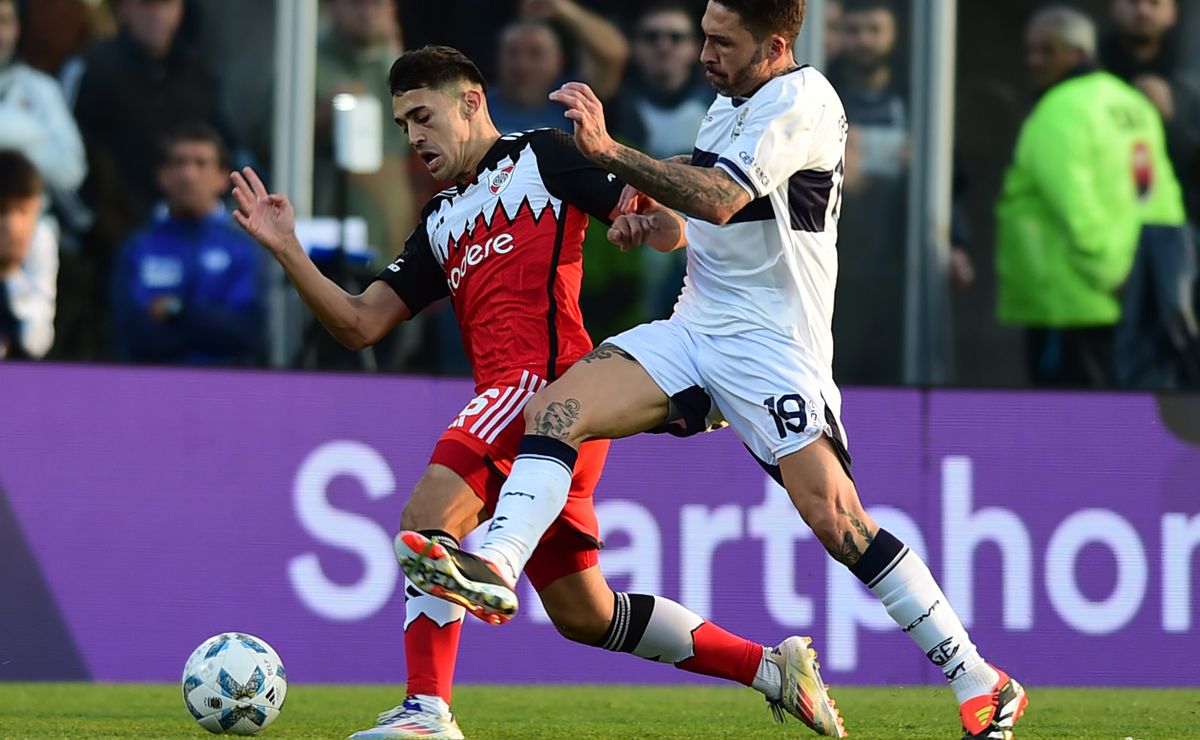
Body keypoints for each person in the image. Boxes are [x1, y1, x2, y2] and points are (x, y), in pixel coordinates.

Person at [396, 3, 1027, 739]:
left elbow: (722, 201)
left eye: (722, 43)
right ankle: (498, 566)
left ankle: (979, 677)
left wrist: (607, 152)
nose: (705, 54)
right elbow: (685, 214)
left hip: (771, 348)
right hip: (694, 329)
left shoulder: (803, 101)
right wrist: (645, 220)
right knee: (556, 410)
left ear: (776, 46)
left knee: (838, 520)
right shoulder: (724, 107)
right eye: (705, 36)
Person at [231, 45, 845, 740]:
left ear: (471, 102)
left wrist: (648, 224)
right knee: (585, 614)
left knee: (426, 516)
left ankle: (427, 713)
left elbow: (672, 223)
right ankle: (772, 669)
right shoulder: (439, 220)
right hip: (538, 419)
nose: (415, 138)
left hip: (546, 390)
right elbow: (358, 322)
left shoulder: (545, 155)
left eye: (424, 117)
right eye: (403, 125)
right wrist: (286, 247)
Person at [996, 7, 1186, 388]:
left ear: (1078, 53)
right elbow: (1161, 195)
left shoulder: (1058, 109)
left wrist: (1112, 273)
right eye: (1030, 50)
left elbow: (1073, 205)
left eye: (1047, 51)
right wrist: (1151, 279)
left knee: (1069, 432)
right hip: (1135, 303)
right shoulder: (1130, 103)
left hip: (1071, 305)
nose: (1033, 61)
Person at [67, 0, 241, 360]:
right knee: (121, 340)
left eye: (165, 4)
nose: (156, 13)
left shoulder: (199, 71)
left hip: (196, 230)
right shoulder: (95, 69)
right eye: (145, 5)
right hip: (111, 237)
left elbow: (229, 148)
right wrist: (99, 223)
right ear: (125, 10)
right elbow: (74, 157)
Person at [110, 124, 263, 365]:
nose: (188, 174)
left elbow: (245, 332)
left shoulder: (241, 247)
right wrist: (207, 327)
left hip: (225, 388)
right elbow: (132, 332)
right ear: (162, 175)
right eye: (179, 163)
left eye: (200, 163)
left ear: (223, 178)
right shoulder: (138, 247)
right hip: (149, 383)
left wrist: (176, 309)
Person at [610, 1, 714, 323]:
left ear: (696, 47)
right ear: (635, 47)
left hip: (703, 240)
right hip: (631, 236)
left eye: (675, 37)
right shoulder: (613, 103)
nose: (664, 46)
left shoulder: (720, 105)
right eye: (652, 37)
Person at [1101, 0, 1200, 227]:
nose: (1143, 11)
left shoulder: (1190, 86)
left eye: (1154, 3)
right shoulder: (1087, 75)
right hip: (1107, 227)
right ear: (1113, 6)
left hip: (1178, 228)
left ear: (1173, 12)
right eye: (1133, 2)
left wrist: (1171, 122)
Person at [487, 1, 629, 134]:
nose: (522, 66)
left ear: (559, 62)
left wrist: (560, 7)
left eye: (536, 54)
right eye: (512, 52)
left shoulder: (575, 101)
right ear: (496, 59)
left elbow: (612, 54)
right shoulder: (476, 107)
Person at [0, 0, 88, 201]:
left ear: (18, 27)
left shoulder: (41, 88)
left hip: (30, 223)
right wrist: (34, 132)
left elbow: (71, 171)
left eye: (4, 21)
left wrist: (13, 137)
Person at [0, 149, 56, 360]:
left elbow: (37, 342)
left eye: (23, 211)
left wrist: (10, 272)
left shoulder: (40, 237)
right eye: (2, 210)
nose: (13, 226)